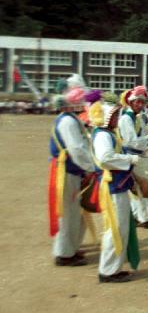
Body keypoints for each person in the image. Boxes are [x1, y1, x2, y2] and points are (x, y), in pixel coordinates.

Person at [91, 92, 141, 283]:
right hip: (113, 186)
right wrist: (130, 159)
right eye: (113, 115)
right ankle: (109, 270)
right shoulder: (103, 135)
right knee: (115, 228)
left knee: (117, 227)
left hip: (115, 185)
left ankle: (111, 267)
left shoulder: (106, 133)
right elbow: (105, 158)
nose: (116, 119)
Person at [48, 76, 96, 266]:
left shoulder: (69, 119)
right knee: (68, 214)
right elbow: (77, 149)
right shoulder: (68, 121)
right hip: (67, 172)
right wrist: (90, 168)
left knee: (74, 212)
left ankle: (70, 248)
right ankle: (64, 254)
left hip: (70, 170)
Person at [119, 86, 148, 228]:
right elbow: (131, 141)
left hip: (139, 154)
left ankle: (142, 216)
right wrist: (147, 139)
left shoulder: (138, 118)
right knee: (139, 187)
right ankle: (144, 218)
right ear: (131, 102)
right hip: (131, 155)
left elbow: (139, 138)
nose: (140, 105)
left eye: (142, 102)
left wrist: (146, 141)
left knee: (141, 186)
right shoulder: (125, 119)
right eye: (137, 102)